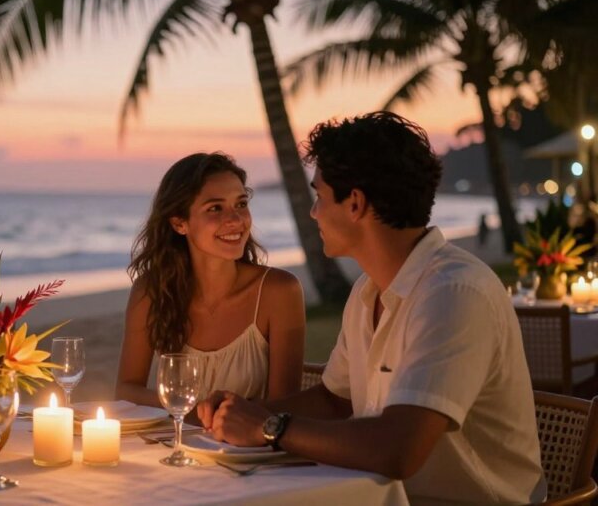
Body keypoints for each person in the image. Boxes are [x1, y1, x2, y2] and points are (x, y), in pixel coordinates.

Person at [198, 113, 545, 505]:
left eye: (320, 197)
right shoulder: (368, 291)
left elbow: (397, 450)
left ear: (356, 204)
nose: (314, 213)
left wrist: (269, 426)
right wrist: (240, 413)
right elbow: (335, 400)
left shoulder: (454, 293)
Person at [116, 152, 306, 410]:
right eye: (215, 208)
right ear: (179, 223)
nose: (236, 220)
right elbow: (126, 390)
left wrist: (193, 412)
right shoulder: (152, 291)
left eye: (241, 204)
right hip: (176, 446)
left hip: (253, 450)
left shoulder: (279, 291)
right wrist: (195, 412)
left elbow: (285, 407)